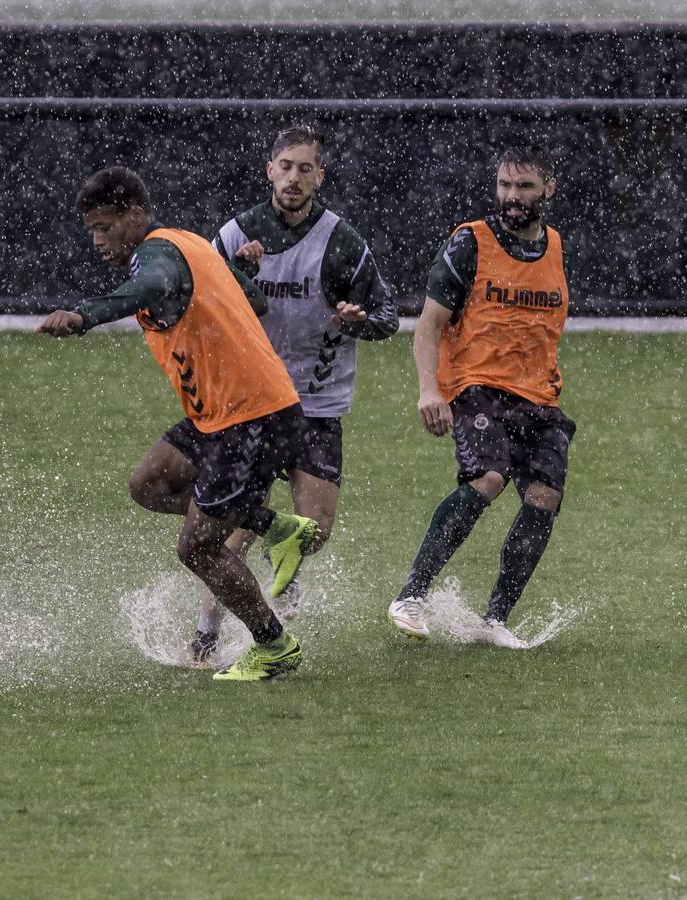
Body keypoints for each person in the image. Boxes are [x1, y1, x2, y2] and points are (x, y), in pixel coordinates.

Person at [38, 166, 319, 682]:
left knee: (198, 547)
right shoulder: (190, 243)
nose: (98, 241)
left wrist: (85, 315)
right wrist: (233, 278)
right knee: (148, 483)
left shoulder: (157, 256)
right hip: (220, 415)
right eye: (92, 231)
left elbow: (152, 285)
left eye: (105, 227)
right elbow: (253, 301)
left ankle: (274, 645)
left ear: (136, 216)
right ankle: (275, 527)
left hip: (249, 418)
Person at [186, 124, 399, 665]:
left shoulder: (341, 242)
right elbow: (198, 304)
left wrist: (358, 321)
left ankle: (287, 568)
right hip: (249, 406)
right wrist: (237, 273)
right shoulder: (236, 235)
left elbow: (389, 316)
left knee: (314, 531)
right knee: (233, 526)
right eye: (286, 166)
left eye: (306, 168)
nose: (294, 178)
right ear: (269, 170)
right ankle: (208, 632)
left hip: (316, 406)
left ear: (320, 176)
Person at [387, 144, 574, 647]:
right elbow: (427, 326)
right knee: (488, 478)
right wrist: (430, 390)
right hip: (477, 389)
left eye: (524, 187)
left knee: (544, 497)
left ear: (548, 190)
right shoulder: (469, 243)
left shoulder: (557, 247)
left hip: (540, 397)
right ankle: (411, 596)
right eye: (505, 186)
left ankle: (493, 622)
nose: (511, 197)